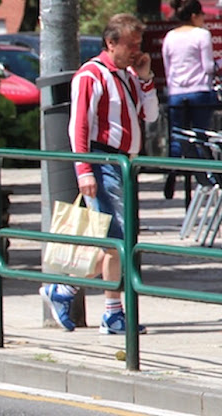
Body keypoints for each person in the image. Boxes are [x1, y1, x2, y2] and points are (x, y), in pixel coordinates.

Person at [40, 14, 158, 334]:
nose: (136, 50)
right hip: (102, 162)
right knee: (115, 242)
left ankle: (66, 292)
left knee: (113, 241)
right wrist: (84, 170)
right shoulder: (91, 75)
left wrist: (145, 78)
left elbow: (150, 114)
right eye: (131, 45)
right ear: (111, 42)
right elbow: (77, 124)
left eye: (139, 44)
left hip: (121, 165)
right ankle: (110, 312)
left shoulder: (128, 75)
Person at [162, 0, 217, 198]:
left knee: (177, 136)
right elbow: (208, 66)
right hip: (199, 90)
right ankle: (204, 174)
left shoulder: (170, 37)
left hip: (176, 92)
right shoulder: (202, 35)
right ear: (195, 15)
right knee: (200, 135)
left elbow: (168, 67)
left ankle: (173, 170)